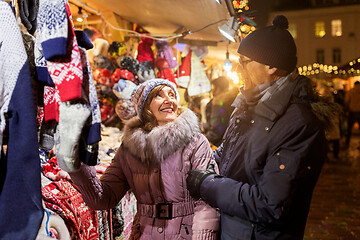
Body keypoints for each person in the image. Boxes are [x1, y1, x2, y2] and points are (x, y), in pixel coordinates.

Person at [186, 15, 333, 239]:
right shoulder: (246, 104)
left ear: (272, 66)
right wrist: (194, 157)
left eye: (244, 61)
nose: (237, 69)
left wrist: (206, 184)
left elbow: (270, 205)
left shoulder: (300, 124)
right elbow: (226, 157)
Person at [61, 79, 219, 239]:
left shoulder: (195, 142)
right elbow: (103, 199)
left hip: (187, 233)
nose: (169, 100)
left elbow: (208, 201)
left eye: (172, 95)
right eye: (158, 95)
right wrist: (78, 164)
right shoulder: (130, 148)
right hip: (144, 233)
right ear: (145, 107)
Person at [202, 76, 238, 147]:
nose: (212, 90)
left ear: (219, 88)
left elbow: (217, 129)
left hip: (217, 145)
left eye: (214, 87)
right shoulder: (232, 101)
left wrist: (205, 140)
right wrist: (204, 126)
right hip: (227, 143)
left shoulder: (219, 103)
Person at [344, 81, 360, 146]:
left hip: (352, 112)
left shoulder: (350, 91)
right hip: (359, 111)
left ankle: (347, 142)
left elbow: (346, 101)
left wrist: (346, 110)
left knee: (349, 129)